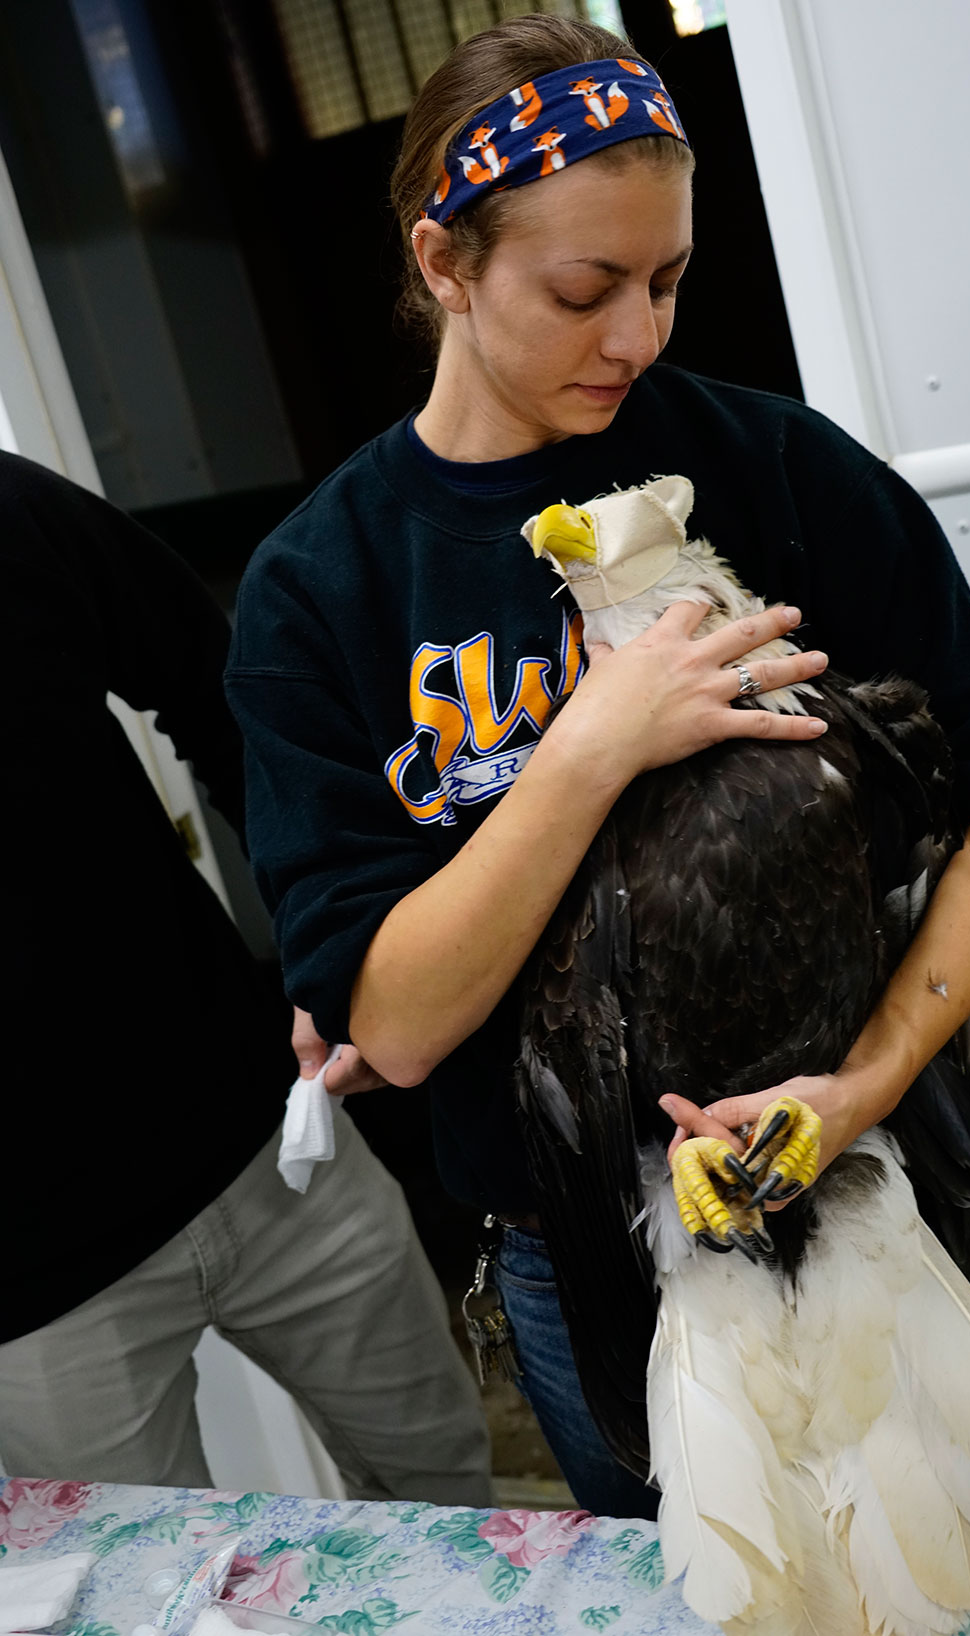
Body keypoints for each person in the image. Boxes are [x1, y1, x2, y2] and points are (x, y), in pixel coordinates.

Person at [225, 12, 970, 1565]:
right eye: (581, 289)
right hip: (587, 1257)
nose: (635, 335)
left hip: (886, 1195)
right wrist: (592, 741)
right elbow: (399, 1022)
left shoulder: (775, 467)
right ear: (442, 262)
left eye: (665, 281)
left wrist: (866, 1083)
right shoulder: (319, 588)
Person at [0, 449, 491, 1506]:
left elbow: (223, 693)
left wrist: (331, 946)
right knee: (131, 1603)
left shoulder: (10, 512)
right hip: (32, 1286)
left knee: (452, 1493)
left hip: (269, 1143)